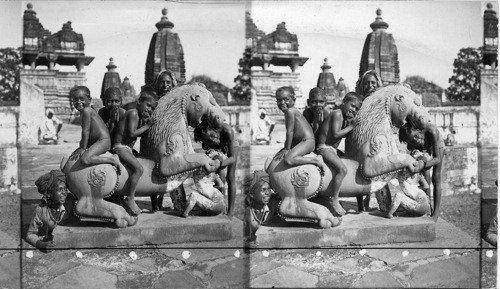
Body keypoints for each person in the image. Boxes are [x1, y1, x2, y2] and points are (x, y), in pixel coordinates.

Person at [316, 92, 361, 216]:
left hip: (332, 149)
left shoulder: (343, 116)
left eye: (356, 109)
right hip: (325, 148)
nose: (353, 110)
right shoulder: (337, 113)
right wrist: (351, 126)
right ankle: (334, 199)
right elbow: (336, 134)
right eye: (352, 106)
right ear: (344, 102)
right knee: (342, 169)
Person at [113, 91, 158, 215]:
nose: (149, 110)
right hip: (120, 147)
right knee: (139, 169)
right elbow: (132, 133)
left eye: (152, 108)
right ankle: (130, 198)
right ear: (139, 102)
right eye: (148, 105)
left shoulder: (138, 116)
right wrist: (147, 125)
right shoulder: (133, 113)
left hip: (127, 149)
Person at [398, 121, 444, 220]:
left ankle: (436, 213)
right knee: (425, 178)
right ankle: (428, 208)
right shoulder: (412, 144)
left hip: (437, 143)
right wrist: (420, 164)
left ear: (418, 130)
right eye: (413, 141)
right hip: (423, 148)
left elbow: (437, 159)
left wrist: (424, 164)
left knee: (436, 177)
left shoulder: (431, 131)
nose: (417, 140)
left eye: (416, 136)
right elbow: (414, 152)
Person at [69, 86, 121, 172]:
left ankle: (112, 160)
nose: (78, 102)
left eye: (82, 99)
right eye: (75, 100)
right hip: (97, 141)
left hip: (103, 141)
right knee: (75, 154)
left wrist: (82, 148)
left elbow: (86, 131)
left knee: (85, 159)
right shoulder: (83, 112)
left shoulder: (86, 111)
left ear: (89, 100)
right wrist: (81, 147)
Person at [274, 86, 325, 173]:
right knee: (279, 154)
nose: (282, 102)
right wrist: (285, 148)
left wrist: (287, 149)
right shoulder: (290, 111)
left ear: (293, 100)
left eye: (285, 99)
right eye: (279, 100)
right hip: (303, 142)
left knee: (289, 159)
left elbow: (290, 132)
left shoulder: (290, 111)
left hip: (307, 142)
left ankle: (315, 160)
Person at [194, 120, 239, 217]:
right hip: (218, 147)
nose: (213, 140)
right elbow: (209, 146)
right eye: (209, 140)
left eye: (212, 136)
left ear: (213, 129)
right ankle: (221, 207)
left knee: (230, 177)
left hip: (230, 142)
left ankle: (230, 212)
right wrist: (214, 159)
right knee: (218, 178)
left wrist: (220, 163)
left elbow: (232, 158)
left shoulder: (227, 131)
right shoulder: (207, 142)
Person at [26, 170, 75, 251]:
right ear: (48, 193)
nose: (64, 193)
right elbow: (30, 234)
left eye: (65, 189)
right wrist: (40, 244)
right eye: (60, 190)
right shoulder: (41, 210)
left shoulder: (70, 202)